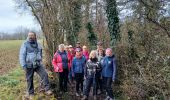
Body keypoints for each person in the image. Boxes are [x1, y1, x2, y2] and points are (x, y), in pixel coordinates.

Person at [19, 32, 52, 99]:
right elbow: (22, 55)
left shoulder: (38, 44)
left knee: (45, 74)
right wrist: (23, 65)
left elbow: (40, 53)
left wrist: (40, 60)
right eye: (29, 35)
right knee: (29, 79)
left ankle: (47, 89)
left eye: (32, 35)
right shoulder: (25, 44)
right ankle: (31, 93)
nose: (30, 36)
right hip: (29, 65)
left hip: (38, 64)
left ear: (35, 36)